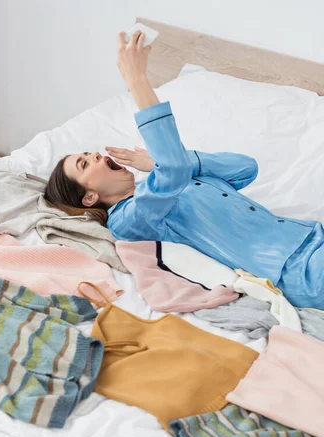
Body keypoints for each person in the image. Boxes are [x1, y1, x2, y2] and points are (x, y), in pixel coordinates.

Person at [45, 31, 324, 309]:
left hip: (311, 235)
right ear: (90, 197)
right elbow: (173, 170)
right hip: (295, 270)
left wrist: (156, 164)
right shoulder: (130, 219)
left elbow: (245, 168)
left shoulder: (166, 178)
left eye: (88, 154)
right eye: (84, 163)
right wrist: (136, 79)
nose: (94, 154)